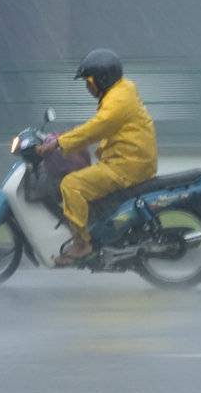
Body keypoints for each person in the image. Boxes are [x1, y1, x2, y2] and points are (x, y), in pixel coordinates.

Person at [37, 48, 157, 266]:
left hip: (126, 166)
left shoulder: (118, 101)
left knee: (71, 185)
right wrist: (66, 137)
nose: (87, 87)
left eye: (89, 82)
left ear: (103, 79)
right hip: (129, 160)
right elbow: (98, 127)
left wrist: (59, 142)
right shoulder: (121, 92)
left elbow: (96, 128)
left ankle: (82, 244)